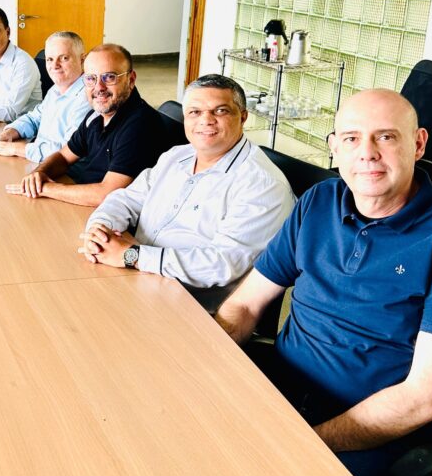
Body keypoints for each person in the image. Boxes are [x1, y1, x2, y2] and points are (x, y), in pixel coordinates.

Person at [213, 89, 432, 476]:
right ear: (334, 147)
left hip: (371, 433)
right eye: (351, 138)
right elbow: (245, 306)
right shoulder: (319, 200)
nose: (366, 152)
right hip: (278, 394)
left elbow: (426, 397)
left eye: (385, 136)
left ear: (418, 145)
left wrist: (305, 441)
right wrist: (206, 360)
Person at [79, 74, 294, 310]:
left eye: (220, 111)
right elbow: (126, 199)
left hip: (189, 307)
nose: (206, 120)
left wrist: (133, 255)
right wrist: (99, 229)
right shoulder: (177, 156)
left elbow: (221, 264)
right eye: (194, 112)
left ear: (243, 117)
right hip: (138, 277)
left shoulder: (262, 185)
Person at [6, 44, 171, 207]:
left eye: (109, 77)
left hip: (114, 221)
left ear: (131, 80)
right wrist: (39, 174)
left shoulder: (140, 125)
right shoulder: (97, 114)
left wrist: (45, 188)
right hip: (84, 202)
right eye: (91, 79)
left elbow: (106, 194)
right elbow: (64, 156)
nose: (99, 87)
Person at [0, 31, 89, 163]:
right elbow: (34, 118)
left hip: (64, 173)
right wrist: (9, 133)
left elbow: (67, 150)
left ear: (82, 60)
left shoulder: (87, 98)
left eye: (64, 58)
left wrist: (15, 149)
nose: (55, 65)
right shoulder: (56, 89)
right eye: (50, 59)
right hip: (38, 163)